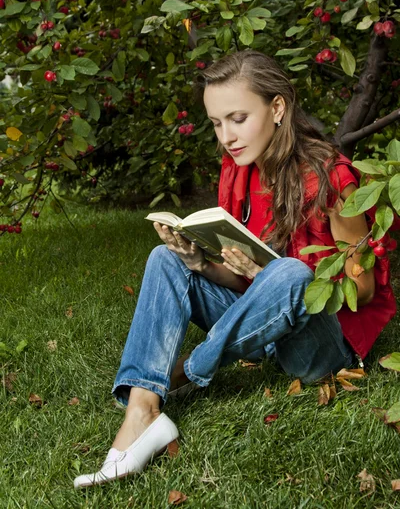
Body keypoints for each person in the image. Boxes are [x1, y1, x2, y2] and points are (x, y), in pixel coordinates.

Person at [74, 50, 396, 489]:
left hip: (324, 345)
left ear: (277, 108)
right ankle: (142, 412)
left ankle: (186, 371)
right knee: (165, 259)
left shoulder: (332, 178)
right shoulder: (238, 171)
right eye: (216, 123)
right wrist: (199, 263)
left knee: (292, 274)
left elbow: (363, 291)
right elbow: (241, 281)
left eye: (238, 118)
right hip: (262, 322)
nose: (226, 135)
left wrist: (272, 275)